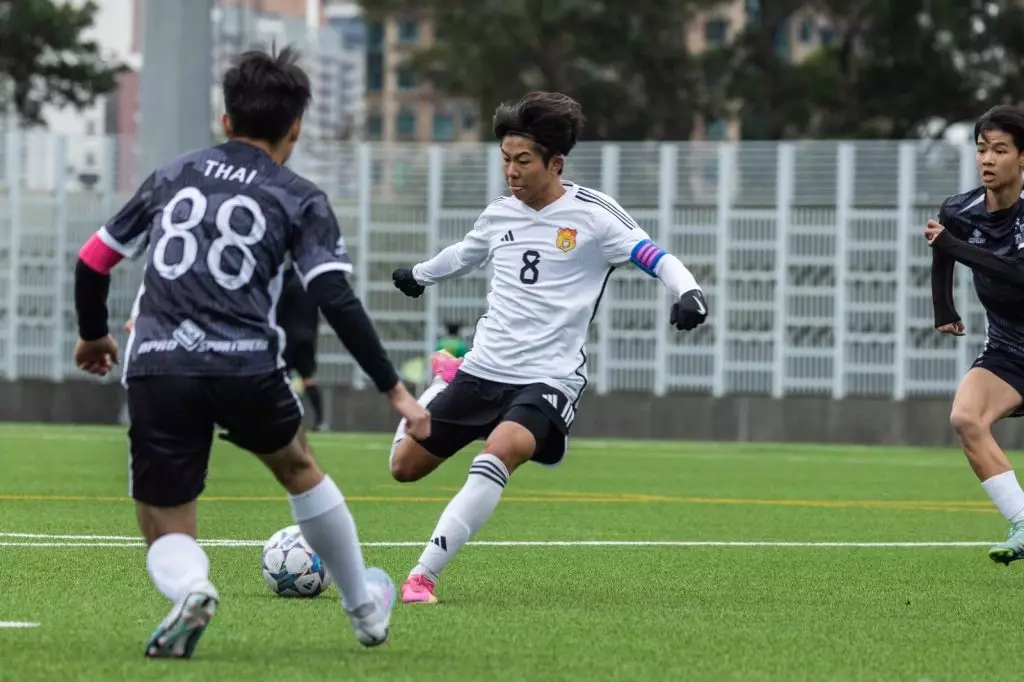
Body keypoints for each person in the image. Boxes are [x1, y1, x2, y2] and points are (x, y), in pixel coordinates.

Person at [72, 46, 429, 658]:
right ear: (296, 128)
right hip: (245, 363)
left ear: (226, 119)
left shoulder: (173, 175)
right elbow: (334, 297)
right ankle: (365, 612)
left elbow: (93, 260)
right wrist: (394, 389)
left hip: (159, 361)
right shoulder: (299, 196)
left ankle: (193, 588)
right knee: (297, 466)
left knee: (164, 516)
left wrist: (93, 333)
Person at [387, 91, 709, 604]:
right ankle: (440, 386)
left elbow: (654, 255)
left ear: (555, 164)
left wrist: (688, 292)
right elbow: (465, 254)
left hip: (548, 377)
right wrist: (419, 275)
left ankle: (422, 576)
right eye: (505, 159)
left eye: (523, 161)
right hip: (483, 368)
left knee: (499, 452)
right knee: (403, 468)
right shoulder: (499, 214)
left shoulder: (594, 216)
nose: (511, 172)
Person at [924, 103, 1024, 564]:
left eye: (1000, 150)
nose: (987, 159)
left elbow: (1017, 273)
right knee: (966, 418)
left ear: (1021, 158)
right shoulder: (960, 209)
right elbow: (942, 244)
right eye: (982, 148)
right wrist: (943, 307)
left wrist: (953, 245)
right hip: (1008, 349)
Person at [277, 264, 328, 430]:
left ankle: (282, 417)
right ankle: (320, 421)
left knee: (280, 377)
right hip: (307, 337)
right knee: (308, 378)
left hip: (288, 336)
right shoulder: (311, 283)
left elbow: (278, 309)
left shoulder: (285, 281)